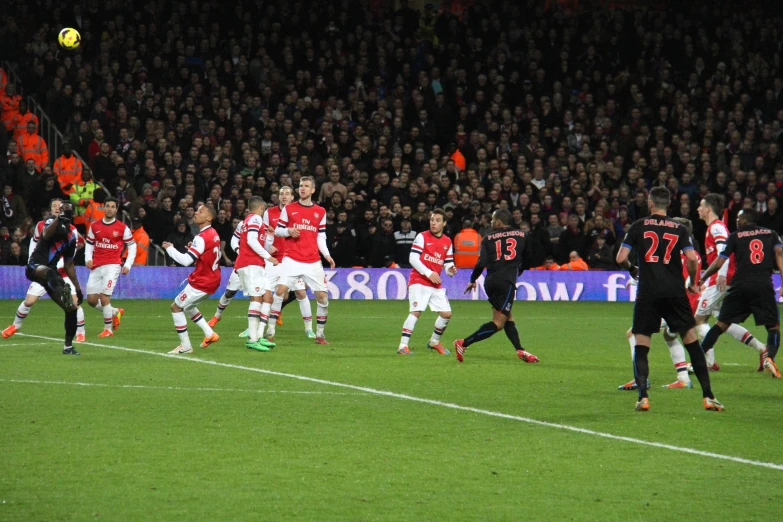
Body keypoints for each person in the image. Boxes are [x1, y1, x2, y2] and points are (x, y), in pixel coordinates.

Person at [616, 186, 723, 412]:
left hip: (648, 292)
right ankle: (708, 396)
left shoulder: (638, 226)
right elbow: (692, 259)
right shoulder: (679, 228)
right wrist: (694, 281)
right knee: (692, 342)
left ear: (650, 203)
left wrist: (632, 268)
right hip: (675, 291)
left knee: (642, 344)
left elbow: (621, 257)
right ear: (668, 205)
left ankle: (643, 398)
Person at [699, 209, 783, 379]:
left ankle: (697, 357)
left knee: (721, 324)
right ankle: (770, 358)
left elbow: (719, 262)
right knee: (773, 326)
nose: (736, 221)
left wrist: (703, 277)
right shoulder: (771, 234)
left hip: (740, 286)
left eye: (738, 218)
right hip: (763, 285)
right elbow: (779, 254)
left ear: (746, 220)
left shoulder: (736, 236)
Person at [618, 217, 700, 391]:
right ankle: (683, 378)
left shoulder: (675, 253)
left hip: (674, 302)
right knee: (669, 336)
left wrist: (636, 281)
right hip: (686, 303)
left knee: (633, 333)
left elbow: (666, 278)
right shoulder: (691, 254)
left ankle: (640, 378)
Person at [454, 209, 540, 364]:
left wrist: (473, 279)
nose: (491, 222)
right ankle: (463, 343)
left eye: (493, 220)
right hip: (506, 282)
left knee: (508, 316)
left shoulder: (487, 238)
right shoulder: (522, 235)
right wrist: (519, 269)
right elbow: (529, 257)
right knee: (499, 323)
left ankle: (520, 350)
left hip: (490, 282)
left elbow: (481, 262)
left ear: (500, 222)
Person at [695, 194, 767, 370]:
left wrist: (721, 274)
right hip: (724, 279)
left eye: (701, 206)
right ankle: (762, 349)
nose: (698, 209)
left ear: (708, 209)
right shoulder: (714, 227)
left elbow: (723, 253)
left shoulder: (716, 227)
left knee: (698, 320)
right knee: (723, 321)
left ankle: (709, 362)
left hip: (721, 280)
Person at [2, 199, 86, 342]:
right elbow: (34, 243)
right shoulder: (42, 225)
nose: (57, 208)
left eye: (60, 207)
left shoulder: (71, 229)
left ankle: (80, 332)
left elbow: (81, 242)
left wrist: (72, 250)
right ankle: (15, 326)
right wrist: (31, 260)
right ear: (50, 209)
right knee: (29, 301)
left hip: (61, 272)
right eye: (54, 206)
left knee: (73, 302)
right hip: (43, 270)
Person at [272, 176, 335, 344]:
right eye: (301, 186)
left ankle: (320, 335)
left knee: (322, 298)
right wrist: (288, 231)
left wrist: (327, 255)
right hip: (291, 258)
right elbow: (278, 230)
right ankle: (270, 332)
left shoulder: (320, 211)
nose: (303, 188)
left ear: (313, 190)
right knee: (279, 292)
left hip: (313, 261)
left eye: (306, 186)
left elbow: (321, 237)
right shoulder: (289, 208)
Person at [23, 201, 84, 355]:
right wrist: (58, 219)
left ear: (74, 215)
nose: (65, 213)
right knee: (51, 273)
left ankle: (68, 347)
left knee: (71, 308)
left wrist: (78, 288)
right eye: (63, 210)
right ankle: (62, 288)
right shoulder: (51, 222)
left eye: (68, 211)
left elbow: (69, 264)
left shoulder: (72, 236)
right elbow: (45, 234)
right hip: (35, 267)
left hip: (51, 274)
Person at [162, 205, 222, 355]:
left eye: (201, 211)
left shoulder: (201, 237)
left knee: (176, 307)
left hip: (202, 281)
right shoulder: (213, 233)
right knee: (188, 306)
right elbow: (207, 253)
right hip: (213, 279)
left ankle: (185, 346)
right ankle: (209, 334)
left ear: (209, 218)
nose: (196, 212)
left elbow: (185, 261)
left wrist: (170, 248)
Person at [398, 208, 457, 355]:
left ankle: (434, 342)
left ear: (444, 223)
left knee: (446, 314)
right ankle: (402, 346)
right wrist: (429, 273)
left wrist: (450, 270)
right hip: (419, 279)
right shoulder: (422, 237)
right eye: (432, 220)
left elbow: (448, 263)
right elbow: (413, 258)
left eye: (437, 220)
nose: (433, 223)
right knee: (416, 312)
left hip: (435, 283)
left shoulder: (447, 241)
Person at [260, 186, 314, 339]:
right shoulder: (269, 213)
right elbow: (262, 233)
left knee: (301, 292)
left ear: (292, 197)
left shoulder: (298, 212)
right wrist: (267, 247)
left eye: (287, 194)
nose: (284, 196)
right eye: (281, 194)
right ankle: (258, 326)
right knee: (265, 294)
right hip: (273, 260)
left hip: (292, 259)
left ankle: (309, 329)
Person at [233, 196, 279, 351]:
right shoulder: (255, 219)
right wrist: (269, 257)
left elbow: (262, 244)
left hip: (256, 264)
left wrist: (270, 235)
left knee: (268, 297)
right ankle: (252, 339)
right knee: (257, 298)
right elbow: (252, 241)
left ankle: (259, 335)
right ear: (261, 207)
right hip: (250, 264)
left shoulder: (253, 221)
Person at [85, 197, 135, 337]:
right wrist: (88, 258)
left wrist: (128, 264)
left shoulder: (122, 228)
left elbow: (132, 245)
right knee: (91, 300)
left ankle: (108, 329)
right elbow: (89, 244)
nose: (110, 209)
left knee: (104, 297)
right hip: (96, 265)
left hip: (112, 265)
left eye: (113, 207)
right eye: (108, 206)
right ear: (103, 207)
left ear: (116, 209)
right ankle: (115, 312)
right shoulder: (94, 226)